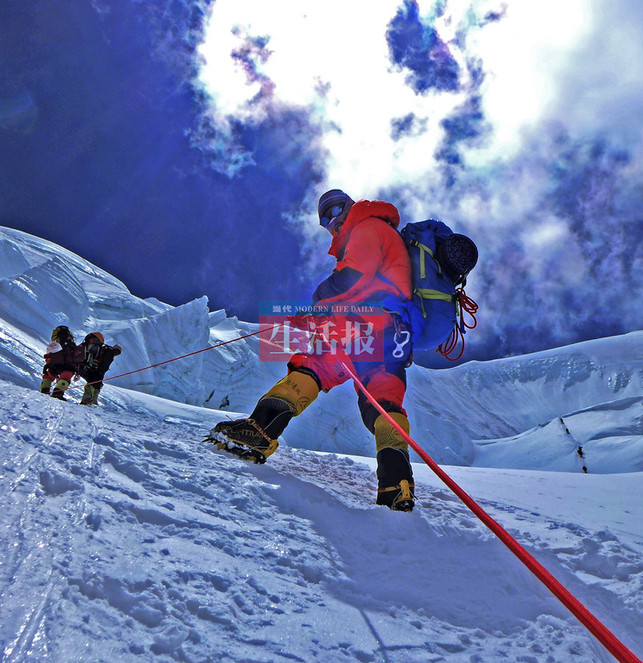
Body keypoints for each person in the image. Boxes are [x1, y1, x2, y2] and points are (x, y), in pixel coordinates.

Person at [207, 189, 417, 512]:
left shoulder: (366, 227)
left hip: (362, 329)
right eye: (324, 217)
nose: (331, 221)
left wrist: (317, 301)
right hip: (389, 337)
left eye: (335, 210)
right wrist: (310, 317)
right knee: (384, 405)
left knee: (313, 367)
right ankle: (396, 485)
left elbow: (350, 281)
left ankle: (259, 431)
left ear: (349, 206)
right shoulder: (377, 231)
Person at [40, 326, 85, 400]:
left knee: (48, 376)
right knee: (65, 378)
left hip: (54, 364)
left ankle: (44, 390)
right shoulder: (72, 346)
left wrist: (49, 364)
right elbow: (77, 358)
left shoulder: (54, 345)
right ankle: (58, 393)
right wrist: (77, 370)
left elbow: (49, 356)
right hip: (68, 366)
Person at [78, 332, 122, 405]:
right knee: (93, 384)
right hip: (97, 369)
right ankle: (89, 399)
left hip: (94, 367)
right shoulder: (109, 352)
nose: (117, 353)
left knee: (93, 383)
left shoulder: (106, 349)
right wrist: (101, 371)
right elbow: (104, 364)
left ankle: (89, 399)